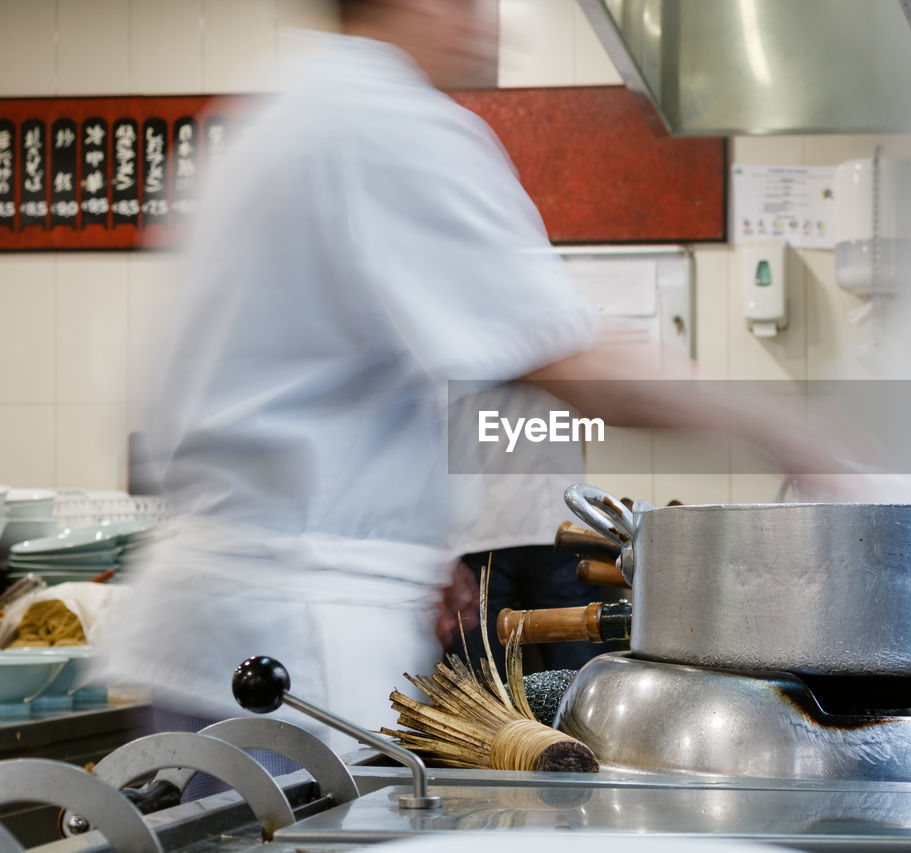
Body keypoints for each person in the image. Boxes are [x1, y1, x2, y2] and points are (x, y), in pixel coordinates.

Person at [102, 0, 856, 758]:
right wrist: (799, 433)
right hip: (290, 655)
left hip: (225, 634)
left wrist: (415, 544)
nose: (497, 21)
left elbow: (318, 379)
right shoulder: (391, 122)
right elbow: (577, 364)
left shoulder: (279, 112)